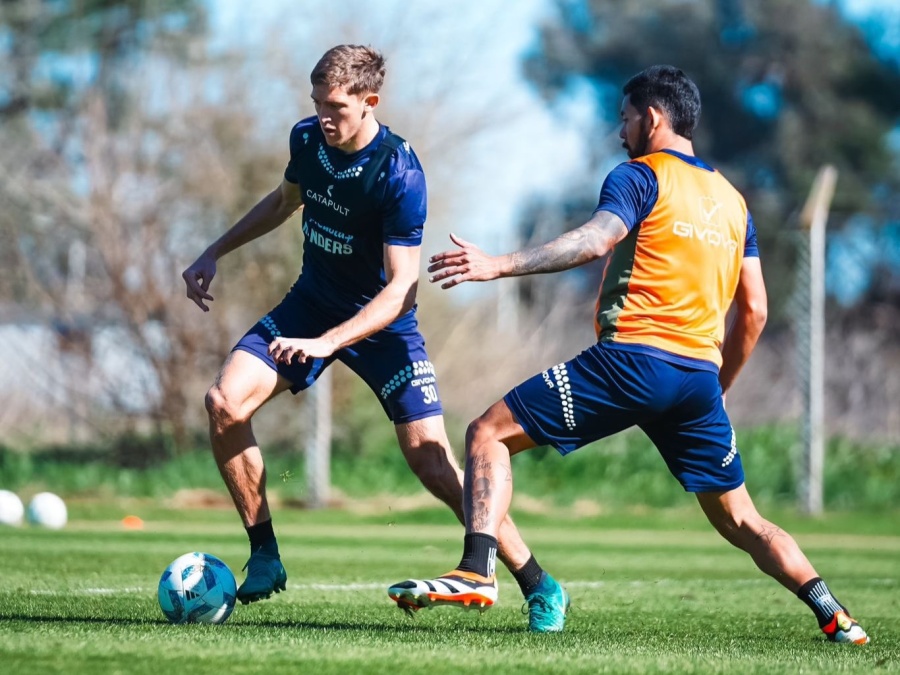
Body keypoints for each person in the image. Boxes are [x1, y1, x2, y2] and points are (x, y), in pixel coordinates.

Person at [389, 65, 869, 645]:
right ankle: (836, 616)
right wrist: (718, 387)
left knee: (488, 433)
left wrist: (499, 265)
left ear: (653, 117)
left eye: (624, 118)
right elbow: (757, 310)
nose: (620, 132)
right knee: (741, 519)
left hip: (633, 360)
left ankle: (478, 570)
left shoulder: (640, 176)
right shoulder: (734, 202)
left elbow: (596, 240)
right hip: (695, 379)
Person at [181, 44, 569, 632]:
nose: (322, 116)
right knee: (223, 403)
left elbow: (401, 290)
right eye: (315, 104)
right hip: (308, 306)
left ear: (370, 102)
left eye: (335, 106)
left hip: (383, 327)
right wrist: (215, 249)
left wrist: (327, 342)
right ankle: (264, 554)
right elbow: (285, 202)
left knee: (434, 465)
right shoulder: (308, 140)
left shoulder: (399, 171)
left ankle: (539, 585)